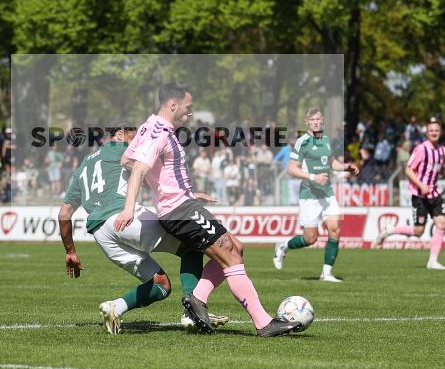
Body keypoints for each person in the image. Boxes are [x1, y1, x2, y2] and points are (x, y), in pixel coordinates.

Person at [115, 83, 301, 337]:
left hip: (182, 204)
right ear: (173, 104)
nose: (190, 113)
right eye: (188, 108)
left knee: (236, 247)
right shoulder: (158, 132)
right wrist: (129, 209)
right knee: (231, 257)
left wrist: (175, 188)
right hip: (180, 210)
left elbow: (127, 159)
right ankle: (264, 323)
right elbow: (137, 169)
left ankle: (197, 299)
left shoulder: (149, 126)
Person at [58, 121, 228, 334]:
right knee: (191, 245)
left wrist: (70, 251)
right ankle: (193, 311)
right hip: (124, 218)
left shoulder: (83, 166)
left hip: (101, 233)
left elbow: (64, 214)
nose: (140, 139)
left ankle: (115, 307)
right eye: (135, 134)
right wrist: (187, 196)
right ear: (120, 134)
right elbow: (155, 175)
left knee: (160, 285)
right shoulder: (126, 150)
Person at [272, 108, 359, 281]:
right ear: (307, 122)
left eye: (318, 119)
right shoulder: (302, 142)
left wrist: (346, 166)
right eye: (312, 120)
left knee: (335, 229)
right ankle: (283, 246)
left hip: (327, 193)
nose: (316, 122)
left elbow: (332, 162)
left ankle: (326, 274)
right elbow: (291, 169)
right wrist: (312, 177)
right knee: (310, 238)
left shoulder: (326, 140)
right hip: (309, 195)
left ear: (322, 120)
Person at [374, 119, 445, 269]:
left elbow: (440, 170)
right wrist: (421, 185)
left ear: (440, 133)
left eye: (436, 130)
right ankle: (391, 230)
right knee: (418, 231)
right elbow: (409, 169)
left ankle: (433, 261)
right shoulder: (421, 149)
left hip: (434, 194)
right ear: (427, 133)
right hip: (420, 195)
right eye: (431, 131)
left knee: (442, 224)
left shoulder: (441, 150)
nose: (434, 133)